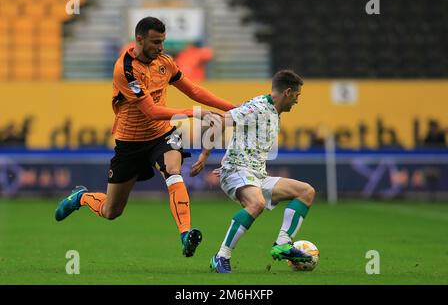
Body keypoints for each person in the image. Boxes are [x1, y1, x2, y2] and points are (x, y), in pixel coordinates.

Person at [54, 17, 235, 258]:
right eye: (156, 42)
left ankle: (185, 234)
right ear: (139, 39)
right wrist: (193, 113)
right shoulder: (125, 69)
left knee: (173, 171)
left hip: (161, 135)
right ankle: (81, 197)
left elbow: (194, 90)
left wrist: (234, 108)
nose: (161, 47)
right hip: (130, 143)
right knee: (111, 211)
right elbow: (150, 110)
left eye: (162, 42)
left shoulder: (164, 62)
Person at [190, 69, 316, 273]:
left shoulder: (274, 113)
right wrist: (205, 156)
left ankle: (283, 244)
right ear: (288, 92)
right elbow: (220, 121)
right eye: (297, 96)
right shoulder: (257, 107)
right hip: (237, 171)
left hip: (257, 175)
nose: (297, 101)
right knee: (256, 203)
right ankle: (221, 256)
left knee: (306, 192)